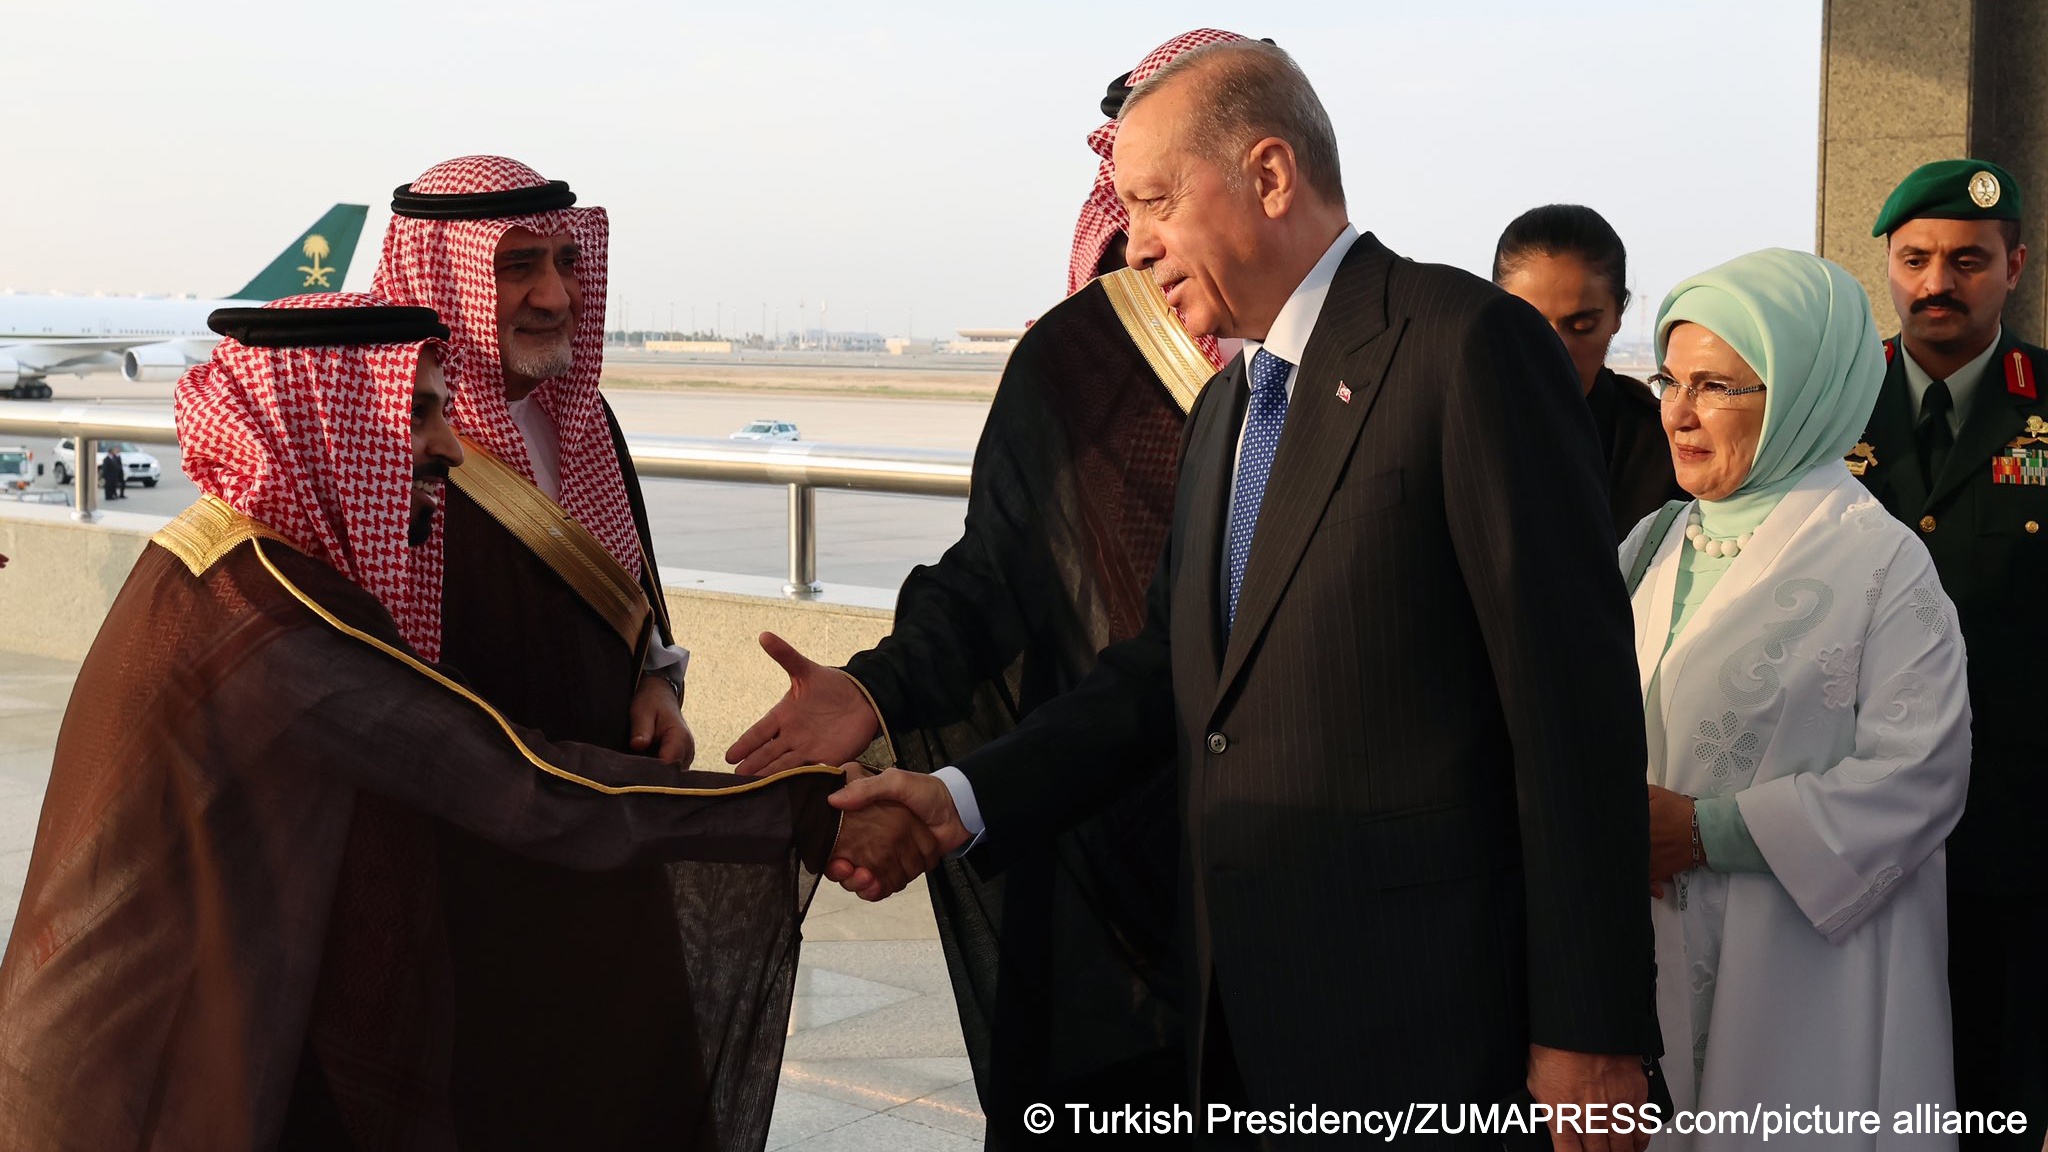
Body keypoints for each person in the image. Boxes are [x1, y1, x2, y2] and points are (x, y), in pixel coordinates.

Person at [827, 40, 1659, 1143]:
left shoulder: (1463, 349)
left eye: (1156, 201)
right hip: (1237, 1025)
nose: (1136, 242)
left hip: (1421, 1026)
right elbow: (1156, 683)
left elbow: (1573, 713)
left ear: (1268, 176)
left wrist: (1590, 1029)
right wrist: (962, 799)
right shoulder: (1234, 407)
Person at [0, 295, 925, 1150]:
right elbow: (529, 788)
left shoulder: (232, 564)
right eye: (418, 415)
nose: (448, 446)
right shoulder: (274, 623)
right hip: (134, 1080)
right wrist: (804, 806)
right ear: (332, 428)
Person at [727, 30, 1242, 1146]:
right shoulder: (1076, 358)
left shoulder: (1335, 360)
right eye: (1135, 200)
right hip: (1099, 813)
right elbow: (1002, 567)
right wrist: (874, 692)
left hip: (1292, 831)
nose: (1153, 242)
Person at [372, 157, 712, 1146]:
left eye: (566, 262)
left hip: (602, 814)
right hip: (465, 848)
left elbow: (626, 579)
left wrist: (656, 682)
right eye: (518, 266)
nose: (556, 295)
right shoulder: (406, 441)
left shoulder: (584, 415)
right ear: (446, 277)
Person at [1624, 249, 1969, 1147]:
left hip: (1806, 978)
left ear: (1802, 392)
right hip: (1643, 964)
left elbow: (1920, 776)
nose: (1680, 412)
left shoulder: (1880, 563)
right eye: (1671, 377)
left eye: (1718, 386)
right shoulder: (1650, 545)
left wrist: (1704, 831)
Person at [1850, 158, 2046, 1149]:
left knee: (1992, 1106)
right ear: (1883, 265)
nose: (1936, 281)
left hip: (2011, 847)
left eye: (1966, 260)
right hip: (1854, 840)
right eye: (1914, 258)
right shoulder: (1828, 406)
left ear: (2011, 266)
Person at [1494, 204, 1684, 537]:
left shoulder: (1666, 447)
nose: (1555, 350)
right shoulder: (1440, 428)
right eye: (1529, 325)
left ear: (1617, 314)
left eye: (1582, 326)